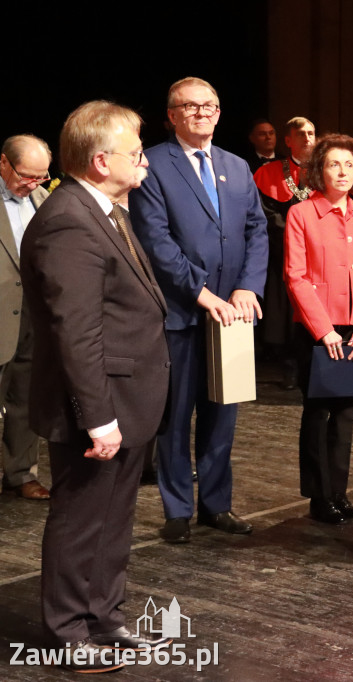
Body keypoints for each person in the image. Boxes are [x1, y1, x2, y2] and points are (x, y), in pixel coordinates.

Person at [22, 100, 170, 672]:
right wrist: (97, 415)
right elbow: (76, 330)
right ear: (101, 159)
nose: (146, 164)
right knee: (82, 518)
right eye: (136, 154)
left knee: (114, 516)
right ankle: (67, 632)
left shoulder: (106, 209)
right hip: (96, 405)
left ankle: (103, 617)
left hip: (125, 397)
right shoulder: (67, 219)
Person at [131, 77, 269, 543]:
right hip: (181, 313)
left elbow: (256, 231)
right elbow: (156, 242)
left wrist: (249, 287)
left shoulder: (236, 165)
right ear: (171, 115)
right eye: (191, 106)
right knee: (177, 416)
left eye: (210, 105)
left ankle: (216, 504)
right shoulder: (153, 164)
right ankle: (176, 509)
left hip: (232, 313)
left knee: (222, 411)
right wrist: (202, 293)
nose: (202, 113)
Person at [284, 134, 353, 524]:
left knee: (345, 413)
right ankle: (318, 496)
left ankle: (339, 493)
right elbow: (296, 278)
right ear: (318, 171)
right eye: (332, 164)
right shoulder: (302, 214)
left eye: (348, 164)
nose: (342, 172)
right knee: (318, 412)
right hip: (318, 328)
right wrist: (324, 331)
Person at [0, 134, 52, 500]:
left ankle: (21, 472)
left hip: (34, 316)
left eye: (41, 177)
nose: (33, 184)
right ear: (3, 163)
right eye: (26, 176)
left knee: (26, 397)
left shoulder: (41, 198)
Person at [253, 116, 317, 389]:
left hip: (317, 256)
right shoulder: (270, 172)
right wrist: (294, 234)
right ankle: (289, 365)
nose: (307, 138)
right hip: (283, 253)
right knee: (285, 313)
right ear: (288, 140)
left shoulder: (326, 170)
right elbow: (265, 214)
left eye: (311, 133)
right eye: (300, 133)